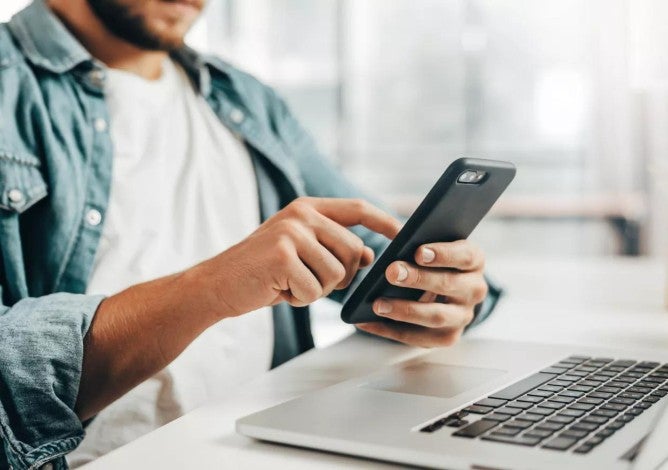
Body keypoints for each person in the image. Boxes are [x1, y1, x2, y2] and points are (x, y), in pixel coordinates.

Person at [0, 0, 501, 468]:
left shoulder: (243, 99)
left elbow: (382, 256)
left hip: (274, 448)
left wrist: (443, 292)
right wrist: (213, 287)